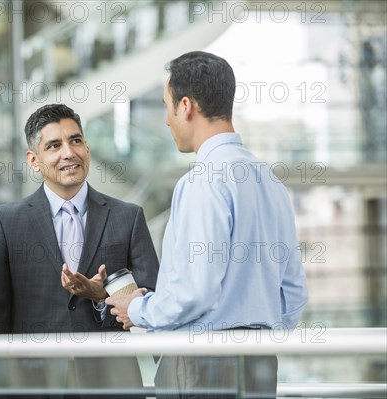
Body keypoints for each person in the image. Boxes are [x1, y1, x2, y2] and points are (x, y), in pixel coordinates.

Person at [105, 51, 309, 398]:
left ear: (186, 106)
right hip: (260, 363)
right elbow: (293, 296)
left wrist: (138, 309)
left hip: (201, 364)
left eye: (167, 106)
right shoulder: (270, 182)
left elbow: (197, 291)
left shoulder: (203, 181)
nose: (167, 121)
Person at [0, 103, 159, 399]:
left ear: (87, 148)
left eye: (75, 140)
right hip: (33, 382)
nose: (68, 153)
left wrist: (104, 298)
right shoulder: (6, 222)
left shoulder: (128, 216)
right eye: (54, 145)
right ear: (34, 160)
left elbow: (153, 299)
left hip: (111, 381)